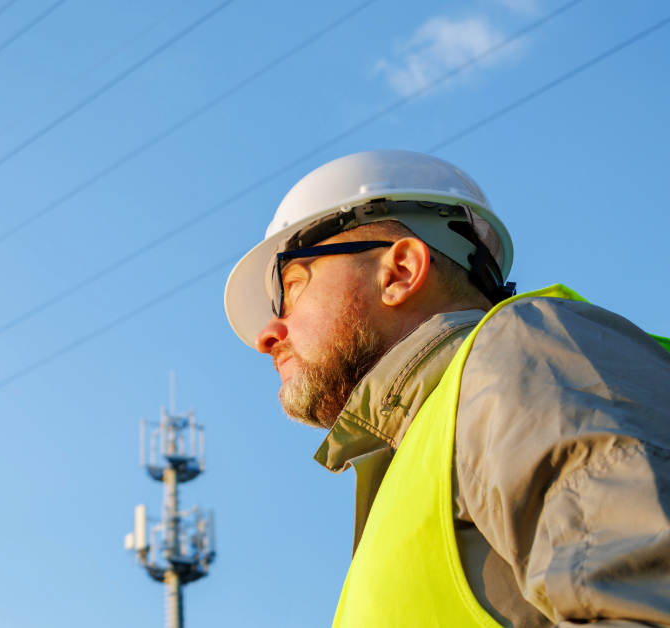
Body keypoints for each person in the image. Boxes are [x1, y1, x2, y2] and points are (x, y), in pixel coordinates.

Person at [223, 150, 670, 627]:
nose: (266, 335)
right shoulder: (413, 466)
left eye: (291, 289)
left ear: (399, 273)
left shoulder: (519, 354)